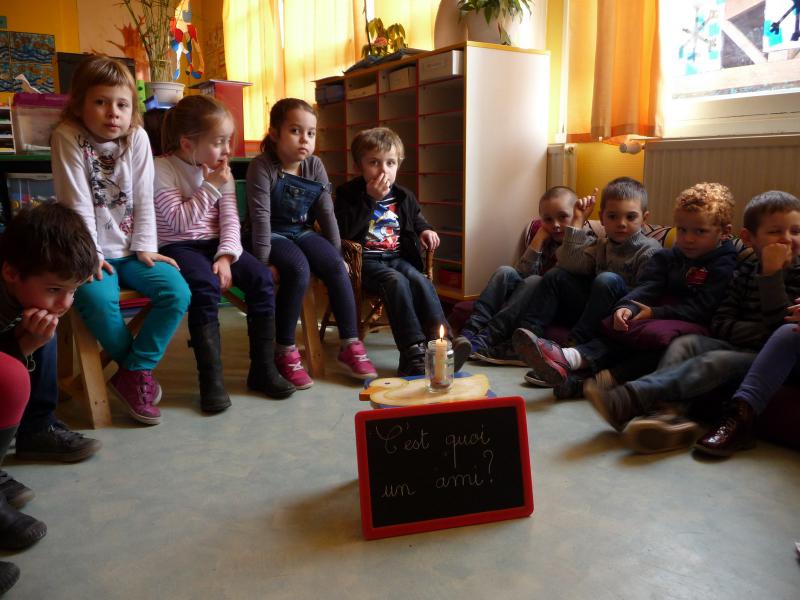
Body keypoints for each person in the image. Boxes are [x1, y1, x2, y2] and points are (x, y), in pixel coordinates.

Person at [585, 190, 800, 456]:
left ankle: (629, 398)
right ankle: (667, 416)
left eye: (796, 231)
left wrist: (772, 275)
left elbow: (781, 332)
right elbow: (720, 322)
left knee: (715, 361)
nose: (787, 239)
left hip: (769, 359)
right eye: (775, 232)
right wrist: (755, 331)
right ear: (748, 238)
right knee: (685, 344)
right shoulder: (745, 270)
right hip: (737, 343)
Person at [50, 54, 191, 425]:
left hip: (133, 250)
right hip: (89, 251)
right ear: (79, 105)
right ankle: (136, 373)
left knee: (177, 292)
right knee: (96, 299)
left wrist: (146, 247)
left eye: (122, 104)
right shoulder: (67, 136)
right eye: (101, 102)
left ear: (132, 110)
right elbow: (76, 203)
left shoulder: (138, 138)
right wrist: (90, 256)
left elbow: (144, 197)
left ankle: (134, 371)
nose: (113, 112)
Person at [520, 182, 739, 402]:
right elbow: (648, 287)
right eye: (682, 230)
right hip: (654, 315)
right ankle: (567, 361)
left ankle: (580, 373)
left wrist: (654, 313)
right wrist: (627, 306)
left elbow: (703, 309)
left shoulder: (722, 265)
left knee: (651, 348)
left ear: (724, 232)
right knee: (622, 332)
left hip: (686, 325)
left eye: (700, 231)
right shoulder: (669, 256)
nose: (688, 239)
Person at [154, 95, 295, 410]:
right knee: (204, 286)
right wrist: (212, 186)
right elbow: (179, 222)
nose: (227, 150)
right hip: (178, 245)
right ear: (188, 144)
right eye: (219, 142)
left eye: (228, 141)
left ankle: (262, 370)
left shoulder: (222, 171)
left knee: (261, 279)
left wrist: (226, 256)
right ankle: (211, 381)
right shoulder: (161, 168)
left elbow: (230, 219)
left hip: (218, 244)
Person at [0, 203, 99, 595]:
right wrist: (23, 346)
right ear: (11, 272)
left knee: (42, 327)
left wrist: (28, 343)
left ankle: (37, 428)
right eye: (55, 289)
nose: (65, 302)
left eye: (73, 290)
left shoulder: (29, 288)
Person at [245, 98, 376, 388]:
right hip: (270, 234)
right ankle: (284, 350)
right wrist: (263, 263)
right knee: (298, 269)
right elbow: (261, 218)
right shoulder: (262, 166)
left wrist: (337, 254)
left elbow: (326, 214)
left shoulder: (314, 165)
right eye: (295, 131)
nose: (304, 139)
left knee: (336, 266)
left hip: (300, 230)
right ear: (275, 133)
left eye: (311, 133)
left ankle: (350, 344)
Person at [335, 127, 471, 376]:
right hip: (365, 262)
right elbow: (343, 230)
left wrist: (425, 230)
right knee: (395, 281)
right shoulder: (348, 194)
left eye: (390, 163)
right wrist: (370, 200)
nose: (383, 170)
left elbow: (416, 218)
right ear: (358, 166)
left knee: (420, 281)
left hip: (396, 257)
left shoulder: (403, 195)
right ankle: (412, 352)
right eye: (374, 162)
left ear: (398, 165)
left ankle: (443, 343)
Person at [513, 177, 661, 386]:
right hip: (593, 309)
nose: (621, 223)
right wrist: (577, 220)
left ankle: (571, 349)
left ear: (644, 218)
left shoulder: (650, 250)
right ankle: (528, 340)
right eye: (613, 216)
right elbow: (568, 263)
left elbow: (648, 291)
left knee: (607, 279)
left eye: (631, 217)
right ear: (602, 218)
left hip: (622, 314)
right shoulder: (602, 245)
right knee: (556, 275)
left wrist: (627, 308)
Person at [459, 186, 581, 365]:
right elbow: (522, 272)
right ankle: (469, 332)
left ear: (576, 215)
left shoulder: (583, 241)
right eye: (548, 219)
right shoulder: (547, 240)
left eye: (563, 217)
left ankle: (488, 336)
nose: (555, 224)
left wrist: (574, 230)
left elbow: (561, 273)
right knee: (505, 272)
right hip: (530, 296)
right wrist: (538, 239)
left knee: (535, 281)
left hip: (554, 306)